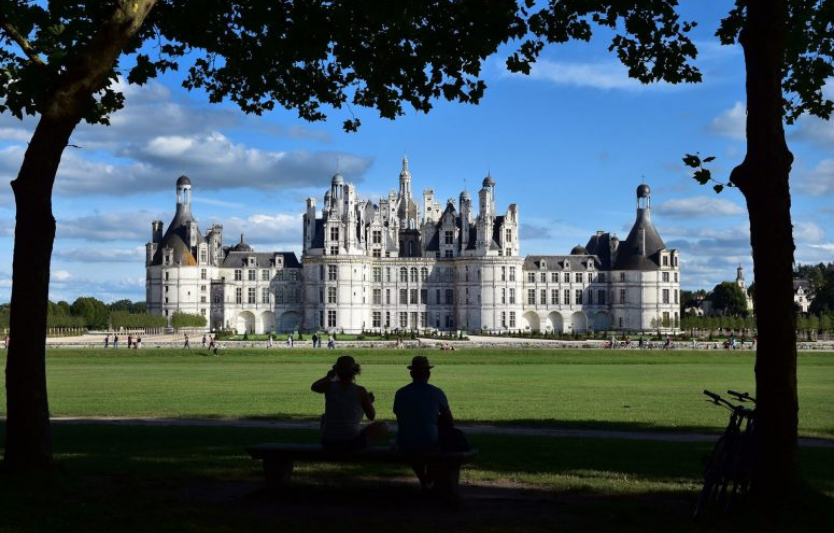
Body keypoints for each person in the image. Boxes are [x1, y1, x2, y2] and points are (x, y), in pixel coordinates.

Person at [393, 355, 469, 488]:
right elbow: (450, 422)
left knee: (415, 443)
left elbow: (398, 413)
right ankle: (430, 479)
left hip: (404, 443)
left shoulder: (401, 393)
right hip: (430, 443)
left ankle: (424, 481)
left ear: (411, 374)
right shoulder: (437, 392)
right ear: (428, 374)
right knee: (438, 440)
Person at [311, 355, 387, 450]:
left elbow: (314, 387)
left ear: (336, 371)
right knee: (382, 426)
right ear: (355, 372)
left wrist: (329, 376)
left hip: (328, 443)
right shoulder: (360, 391)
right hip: (352, 442)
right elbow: (371, 416)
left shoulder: (329, 387)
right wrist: (368, 401)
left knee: (324, 417)